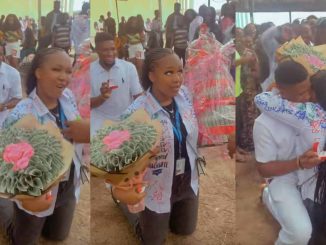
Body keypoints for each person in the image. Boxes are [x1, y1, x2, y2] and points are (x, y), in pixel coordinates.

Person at [112, 48, 199, 245]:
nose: (177, 78)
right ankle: (128, 210)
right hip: (154, 186)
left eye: (180, 71)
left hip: (187, 179)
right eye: (169, 72)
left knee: (185, 230)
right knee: (153, 241)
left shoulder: (184, 96)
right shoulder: (136, 113)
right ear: (151, 75)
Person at [0, 47, 84, 244]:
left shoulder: (68, 97)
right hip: (35, 189)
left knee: (57, 235)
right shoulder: (21, 116)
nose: (64, 77)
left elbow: (76, 127)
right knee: (23, 240)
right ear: (38, 72)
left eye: (68, 71)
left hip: (67, 183)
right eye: (56, 70)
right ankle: (5, 214)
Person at [253, 60, 323, 245]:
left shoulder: (312, 110)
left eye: (309, 89)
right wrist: (298, 163)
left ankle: (268, 197)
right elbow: (264, 169)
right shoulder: (263, 123)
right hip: (283, 179)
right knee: (301, 233)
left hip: (311, 176)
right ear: (280, 90)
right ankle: (269, 194)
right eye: (300, 93)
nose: (308, 96)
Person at [90, 32, 143, 135]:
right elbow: (89, 104)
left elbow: (138, 97)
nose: (110, 53)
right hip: (99, 122)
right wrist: (102, 97)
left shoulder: (129, 68)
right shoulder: (89, 71)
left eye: (113, 49)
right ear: (97, 51)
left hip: (126, 119)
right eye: (105, 50)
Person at [0, 45, 22, 129]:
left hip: (1, 122)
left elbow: (17, 98)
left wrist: (4, 106)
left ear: (3, 57)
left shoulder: (13, 74)